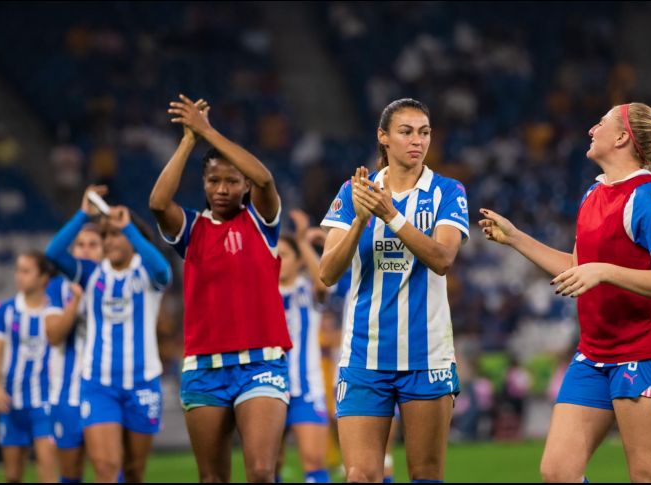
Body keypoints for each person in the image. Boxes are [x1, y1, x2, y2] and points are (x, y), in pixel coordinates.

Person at [479, 102, 651, 482]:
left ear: (621, 137)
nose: (590, 130)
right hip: (596, 352)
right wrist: (516, 238)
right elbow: (578, 267)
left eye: (600, 123)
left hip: (649, 350)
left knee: (648, 474)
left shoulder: (648, 196)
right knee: (558, 472)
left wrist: (604, 271)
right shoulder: (594, 194)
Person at [320, 98, 470, 482]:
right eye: (406, 132)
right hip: (364, 356)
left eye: (424, 132)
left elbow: (442, 258)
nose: (417, 141)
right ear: (383, 137)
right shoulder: (355, 191)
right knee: (360, 475)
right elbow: (327, 272)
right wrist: (358, 221)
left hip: (427, 356)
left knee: (425, 475)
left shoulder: (447, 191)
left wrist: (391, 216)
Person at [150, 94, 292, 482]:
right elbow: (159, 202)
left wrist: (208, 131)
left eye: (233, 181)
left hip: (261, 364)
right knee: (212, 478)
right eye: (214, 180)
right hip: (203, 368)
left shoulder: (262, 222)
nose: (223, 189)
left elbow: (265, 178)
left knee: (261, 472)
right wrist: (188, 141)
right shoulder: (192, 229)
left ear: (245, 186)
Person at [46, 188, 172, 483]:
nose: (110, 241)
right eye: (108, 236)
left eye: (116, 235)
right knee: (106, 468)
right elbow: (53, 253)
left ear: (132, 239)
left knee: (133, 472)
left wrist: (128, 226)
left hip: (143, 383)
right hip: (98, 386)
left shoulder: (147, 275)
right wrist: (82, 215)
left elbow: (164, 271)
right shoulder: (91, 273)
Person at [0, 251, 61, 482]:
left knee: (47, 469)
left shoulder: (55, 311)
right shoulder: (6, 310)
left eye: (26, 271)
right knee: (12, 475)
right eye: (18, 270)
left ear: (43, 278)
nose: (19, 276)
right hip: (12, 400)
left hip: (45, 400)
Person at [45, 223, 103, 483]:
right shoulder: (57, 287)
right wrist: (75, 302)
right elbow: (54, 336)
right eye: (80, 245)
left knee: (110, 468)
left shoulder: (114, 284)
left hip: (105, 391)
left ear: (104, 250)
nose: (86, 250)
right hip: (67, 394)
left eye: (93, 245)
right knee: (70, 474)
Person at [276, 210, 330, 483]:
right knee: (268, 465)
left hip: (307, 387)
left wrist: (304, 243)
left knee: (314, 460)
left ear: (298, 262)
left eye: (284, 254)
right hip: (269, 385)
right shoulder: (262, 292)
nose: (277, 260)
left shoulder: (306, 291)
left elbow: (323, 280)